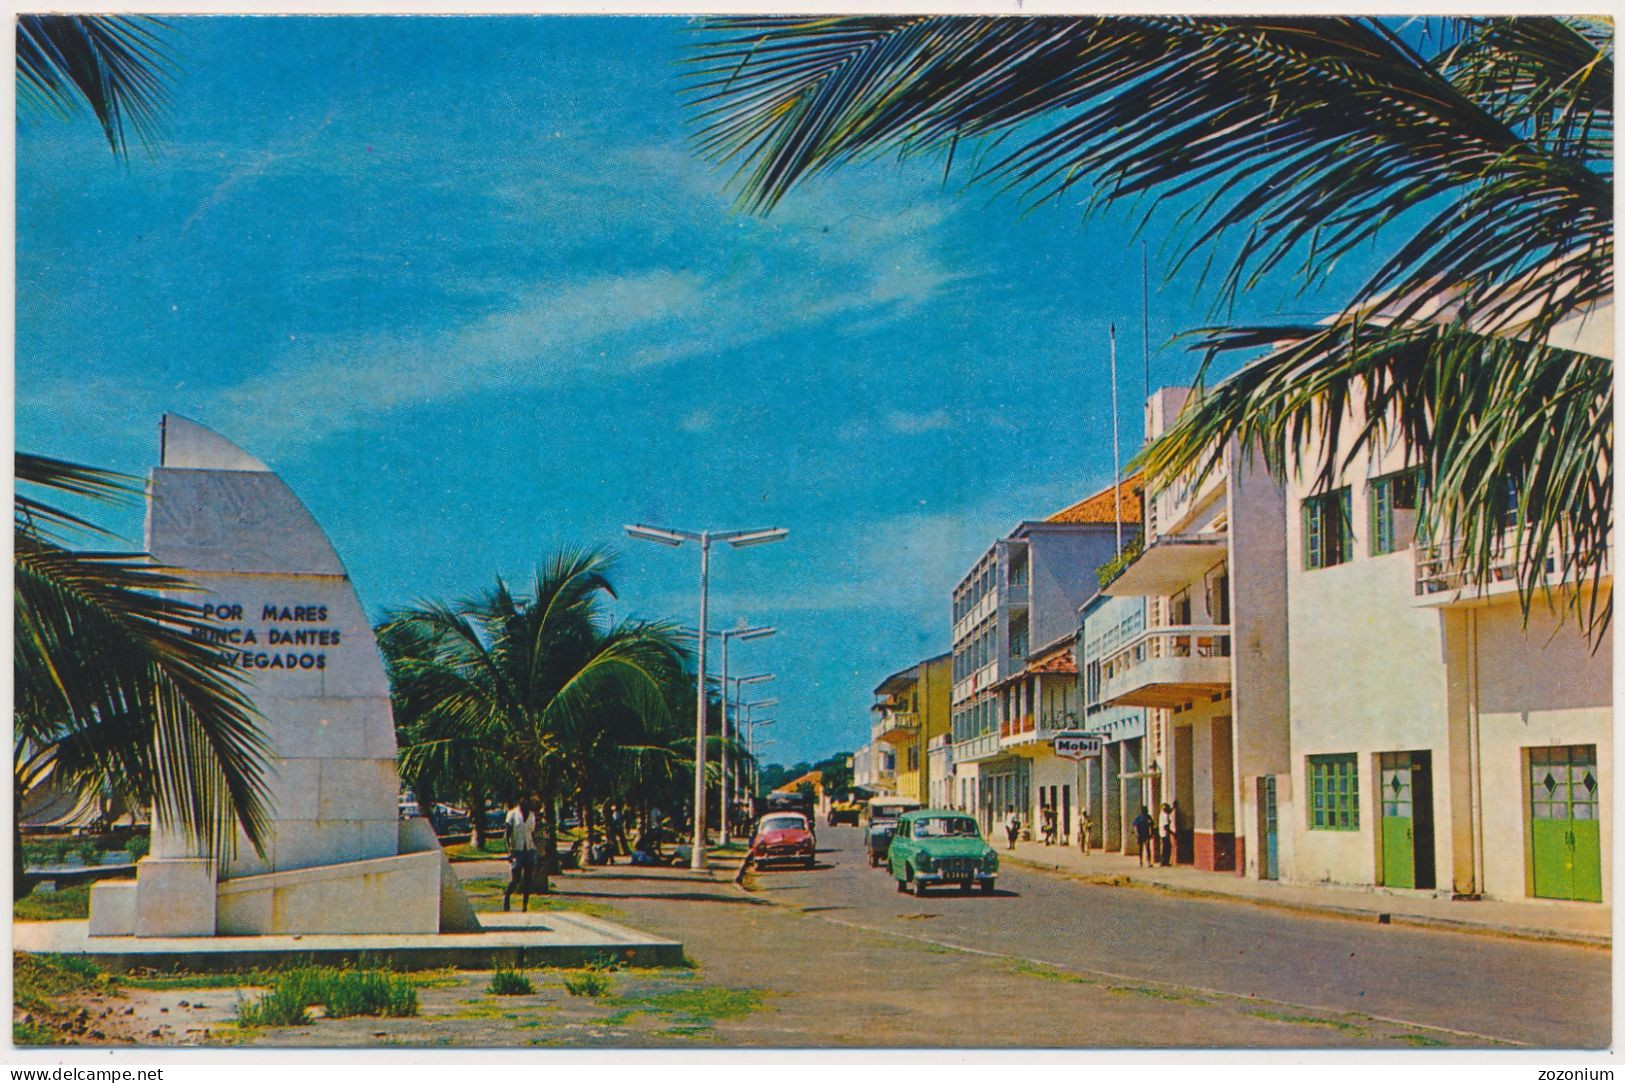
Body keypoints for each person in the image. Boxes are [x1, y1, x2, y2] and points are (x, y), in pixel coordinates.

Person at [503, 796, 538, 912]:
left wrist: (536, 848)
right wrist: (509, 851)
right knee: (516, 879)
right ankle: (507, 897)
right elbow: (506, 835)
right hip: (517, 851)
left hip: (529, 849)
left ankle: (524, 906)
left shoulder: (532, 815)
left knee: (528, 880)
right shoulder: (512, 814)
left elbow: (532, 833)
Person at [1158, 802, 1174, 866]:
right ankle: (1165, 862)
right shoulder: (1165, 815)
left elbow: (1169, 811)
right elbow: (1166, 827)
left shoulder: (1162, 814)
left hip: (1162, 833)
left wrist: (1173, 807)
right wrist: (1172, 833)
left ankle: (1164, 861)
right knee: (1167, 848)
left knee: (1165, 848)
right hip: (1165, 834)